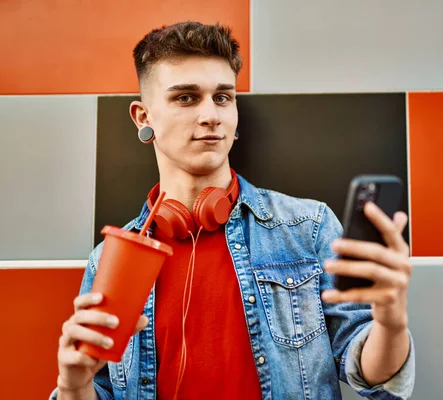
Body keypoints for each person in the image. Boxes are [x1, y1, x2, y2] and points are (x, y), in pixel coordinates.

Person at [50, 21, 415, 400]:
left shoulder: (307, 228)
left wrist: (391, 322)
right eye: (186, 98)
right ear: (144, 117)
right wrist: (73, 386)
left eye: (223, 97)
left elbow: (374, 378)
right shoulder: (110, 259)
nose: (212, 115)